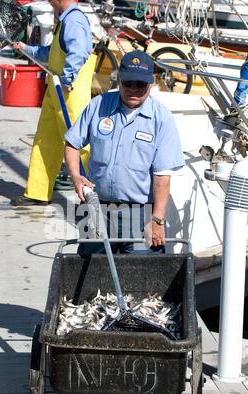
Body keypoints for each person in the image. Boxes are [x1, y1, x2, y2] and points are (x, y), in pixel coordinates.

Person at [64, 50, 185, 255]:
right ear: (119, 80)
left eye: (140, 84)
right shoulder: (98, 105)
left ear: (151, 83)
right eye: (128, 83)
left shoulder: (161, 118)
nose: (134, 90)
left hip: (140, 214)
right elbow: (72, 144)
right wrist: (76, 176)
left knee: (140, 279)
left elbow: (162, 178)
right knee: (90, 274)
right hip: (97, 209)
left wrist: (156, 220)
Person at [11, 0, 97, 206]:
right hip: (56, 93)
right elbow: (51, 53)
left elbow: (79, 52)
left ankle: (92, 196)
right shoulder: (64, 20)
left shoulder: (74, 20)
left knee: (80, 147)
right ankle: (37, 193)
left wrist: (67, 79)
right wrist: (26, 49)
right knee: (45, 142)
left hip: (69, 95)